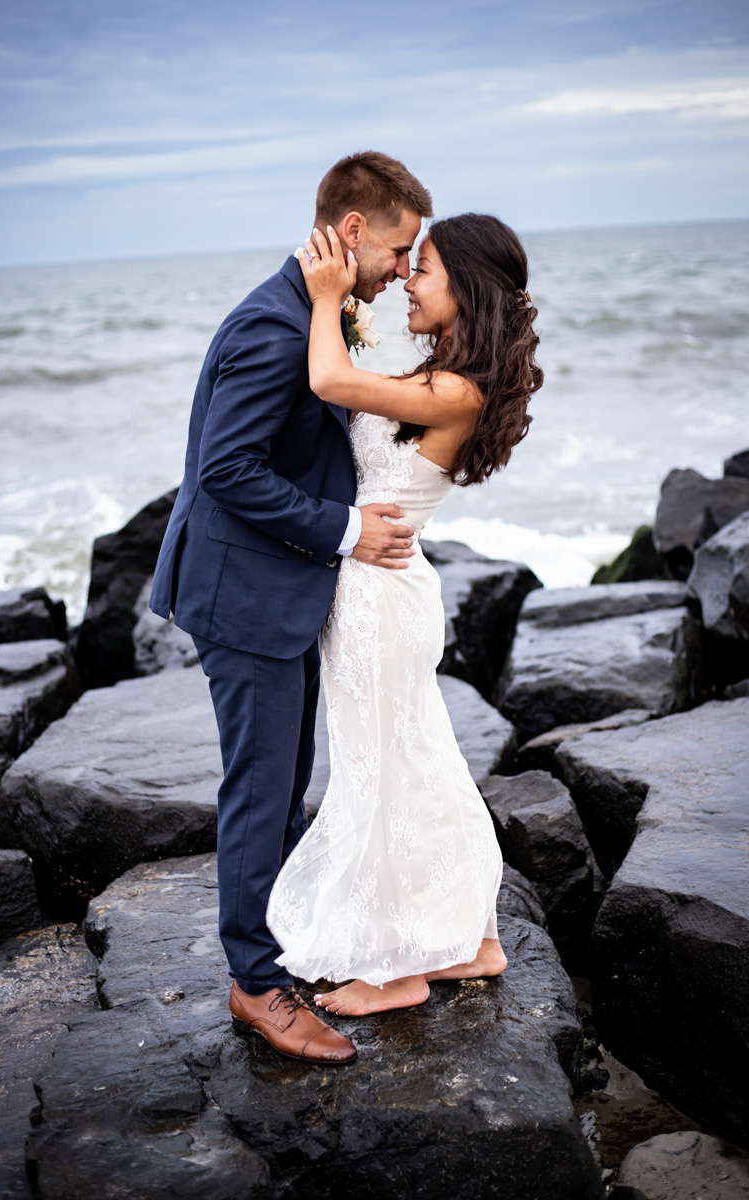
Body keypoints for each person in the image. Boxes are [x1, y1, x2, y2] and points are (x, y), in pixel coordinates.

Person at [149, 151, 433, 1064]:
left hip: (273, 586)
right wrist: (348, 530)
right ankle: (257, 987)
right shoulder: (274, 329)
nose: (401, 269)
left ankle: (269, 952)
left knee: (284, 778)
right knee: (262, 787)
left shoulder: (306, 311)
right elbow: (226, 472)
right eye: (399, 248)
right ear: (352, 231)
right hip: (245, 596)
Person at [266, 214, 543, 1017]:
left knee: (376, 771)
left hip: (380, 598)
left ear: (467, 286)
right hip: (387, 584)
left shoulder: (453, 390)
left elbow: (327, 382)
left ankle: (395, 970)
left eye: (423, 270)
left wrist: (325, 297)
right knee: (418, 757)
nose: (407, 283)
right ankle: (474, 940)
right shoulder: (440, 374)